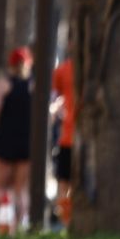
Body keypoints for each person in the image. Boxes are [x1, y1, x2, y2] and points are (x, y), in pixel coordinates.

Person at [0, 48, 34, 230]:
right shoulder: (34, 85)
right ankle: (22, 223)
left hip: (6, 140)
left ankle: (9, 217)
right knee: (21, 188)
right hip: (27, 141)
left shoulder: (2, 85)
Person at [51, 47, 77, 225]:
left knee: (69, 186)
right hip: (67, 137)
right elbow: (53, 97)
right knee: (64, 185)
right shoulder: (63, 70)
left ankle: (71, 221)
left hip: (81, 139)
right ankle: (67, 224)